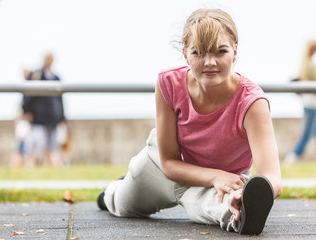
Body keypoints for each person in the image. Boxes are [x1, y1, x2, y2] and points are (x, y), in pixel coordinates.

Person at [97, 8, 282, 235]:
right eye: (199, 53)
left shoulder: (252, 103)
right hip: (163, 168)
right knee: (122, 204)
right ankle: (112, 192)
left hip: (222, 179)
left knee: (221, 207)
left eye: (220, 51)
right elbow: (169, 163)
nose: (210, 62)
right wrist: (215, 176)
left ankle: (242, 214)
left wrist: (238, 190)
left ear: (235, 51)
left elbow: (272, 177)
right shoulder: (168, 83)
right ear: (185, 54)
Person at [22, 53, 66, 166]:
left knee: (52, 148)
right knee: (36, 148)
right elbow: (27, 94)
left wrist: (62, 116)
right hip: (38, 119)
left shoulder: (56, 78)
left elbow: (60, 99)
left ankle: (50, 169)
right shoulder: (36, 75)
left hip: (53, 120)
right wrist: (26, 111)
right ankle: (32, 167)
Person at [284, 40, 316, 164]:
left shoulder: (306, 63)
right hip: (311, 104)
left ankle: (293, 157)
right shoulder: (309, 65)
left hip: (310, 103)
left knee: (310, 133)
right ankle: (292, 157)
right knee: (307, 135)